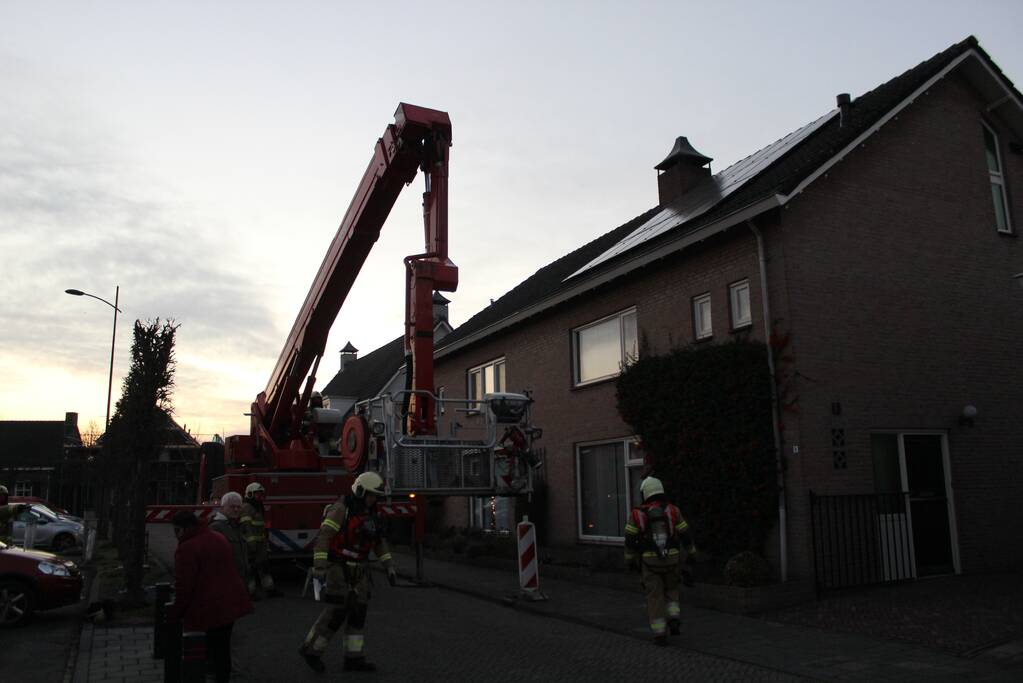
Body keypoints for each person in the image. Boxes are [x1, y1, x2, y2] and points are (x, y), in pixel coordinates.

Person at [299, 471, 397, 673]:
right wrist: (319, 566)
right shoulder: (341, 509)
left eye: (375, 496)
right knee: (336, 613)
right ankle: (311, 651)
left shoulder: (372, 514)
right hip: (338, 568)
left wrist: (389, 566)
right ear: (360, 491)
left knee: (358, 614)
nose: (373, 499)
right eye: (370, 495)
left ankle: (354, 659)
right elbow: (324, 537)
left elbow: (379, 543)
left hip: (360, 570)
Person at [170, 511, 253, 683]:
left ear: (184, 529)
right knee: (223, 649)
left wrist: (176, 612)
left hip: (208, 607)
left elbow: (184, 585)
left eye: (176, 530)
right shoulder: (217, 537)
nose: (175, 534)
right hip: (230, 602)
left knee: (207, 649)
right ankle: (223, 678)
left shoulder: (187, 548)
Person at [624, 476, 696, 645]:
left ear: (645, 493)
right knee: (672, 589)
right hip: (672, 559)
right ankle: (674, 618)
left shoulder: (636, 514)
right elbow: (686, 534)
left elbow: (629, 541)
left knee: (655, 596)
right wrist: (692, 554)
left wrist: (629, 561)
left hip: (650, 563)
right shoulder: (673, 511)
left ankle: (659, 633)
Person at [240, 482, 281, 598]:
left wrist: (265, 542)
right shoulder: (247, 507)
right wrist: (251, 542)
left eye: (261, 494)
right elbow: (246, 526)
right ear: (249, 494)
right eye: (257, 494)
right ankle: (250, 593)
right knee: (251, 569)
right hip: (251, 545)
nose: (260, 496)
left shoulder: (258, 506)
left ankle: (270, 589)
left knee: (264, 566)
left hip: (260, 544)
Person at [210, 491, 249, 586]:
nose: (236, 509)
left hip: (239, 580)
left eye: (238, 507)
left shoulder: (236, 525)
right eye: (232, 506)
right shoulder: (216, 527)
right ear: (222, 507)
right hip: (226, 582)